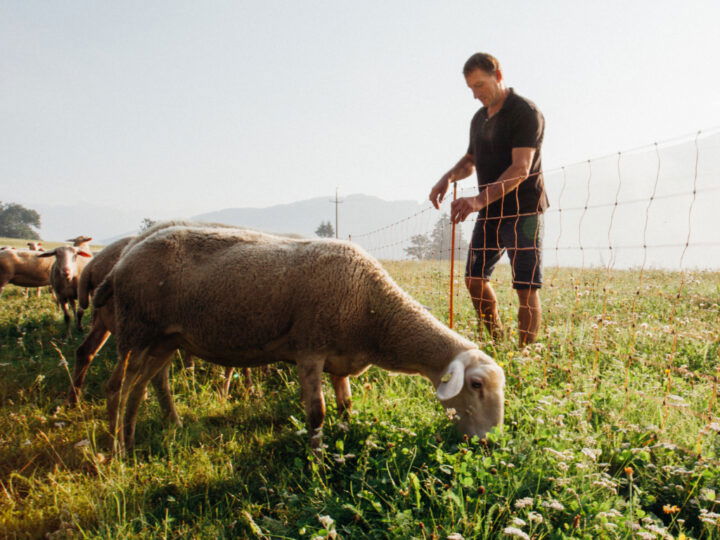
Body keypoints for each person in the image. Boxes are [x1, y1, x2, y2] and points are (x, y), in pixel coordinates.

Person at [428, 52, 548, 346]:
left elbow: (521, 168)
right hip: (490, 211)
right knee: (474, 279)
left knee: (525, 285)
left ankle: (525, 353)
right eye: (471, 88)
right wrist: (448, 178)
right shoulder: (479, 119)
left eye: (480, 85)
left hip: (524, 211)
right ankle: (498, 342)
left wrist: (477, 201)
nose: (475, 95)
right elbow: (470, 160)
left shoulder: (524, 112)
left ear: (498, 75)